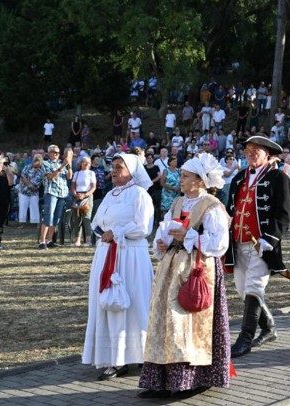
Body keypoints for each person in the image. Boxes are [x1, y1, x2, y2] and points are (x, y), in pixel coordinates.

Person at [139, 152, 232, 398]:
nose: (180, 179)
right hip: (172, 265)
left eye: (185, 175)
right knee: (164, 318)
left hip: (197, 269)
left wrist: (189, 237)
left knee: (187, 322)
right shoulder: (178, 202)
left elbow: (219, 244)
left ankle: (191, 379)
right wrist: (162, 242)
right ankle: (160, 379)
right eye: (181, 175)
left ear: (200, 180)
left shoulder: (212, 206)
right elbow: (167, 228)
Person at [82, 153, 154, 381]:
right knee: (108, 304)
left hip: (131, 256)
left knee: (134, 303)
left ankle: (139, 354)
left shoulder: (140, 194)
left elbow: (143, 226)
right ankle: (113, 357)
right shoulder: (110, 195)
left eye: (119, 167)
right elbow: (96, 222)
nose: (113, 171)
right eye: (112, 167)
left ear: (132, 171)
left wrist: (118, 233)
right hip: (107, 255)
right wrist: (104, 234)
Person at [225, 135, 290, 358]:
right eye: (248, 150)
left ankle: (245, 339)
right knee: (244, 290)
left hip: (261, 245)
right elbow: (230, 209)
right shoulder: (239, 177)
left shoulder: (278, 177)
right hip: (238, 243)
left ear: (267, 154)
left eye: (257, 150)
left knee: (254, 288)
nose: (251, 153)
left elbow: (283, 214)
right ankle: (269, 327)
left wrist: (270, 238)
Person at [39, 145, 73, 249]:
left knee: (56, 218)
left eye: (57, 153)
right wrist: (62, 166)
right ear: (49, 153)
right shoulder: (45, 163)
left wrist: (69, 164)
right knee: (48, 216)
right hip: (51, 192)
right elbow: (50, 176)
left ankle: (50, 240)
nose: (56, 154)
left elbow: (69, 176)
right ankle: (42, 241)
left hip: (62, 194)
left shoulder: (61, 163)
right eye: (53, 152)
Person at [71, 156, 97, 246]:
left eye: (88, 163)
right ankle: (77, 240)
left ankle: (88, 241)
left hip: (87, 196)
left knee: (86, 218)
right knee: (77, 219)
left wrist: (85, 195)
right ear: (81, 163)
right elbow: (73, 186)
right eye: (84, 162)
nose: (86, 164)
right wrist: (75, 194)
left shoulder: (91, 173)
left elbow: (93, 187)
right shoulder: (77, 173)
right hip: (77, 197)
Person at [17, 154, 44, 224]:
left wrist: (29, 184)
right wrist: (30, 185)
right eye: (35, 161)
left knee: (34, 207)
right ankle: (22, 223)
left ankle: (35, 222)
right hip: (23, 191)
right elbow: (22, 177)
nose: (35, 163)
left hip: (34, 192)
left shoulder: (42, 171)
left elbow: (38, 183)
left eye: (38, 162)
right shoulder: (27, 167)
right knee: (22, 207)